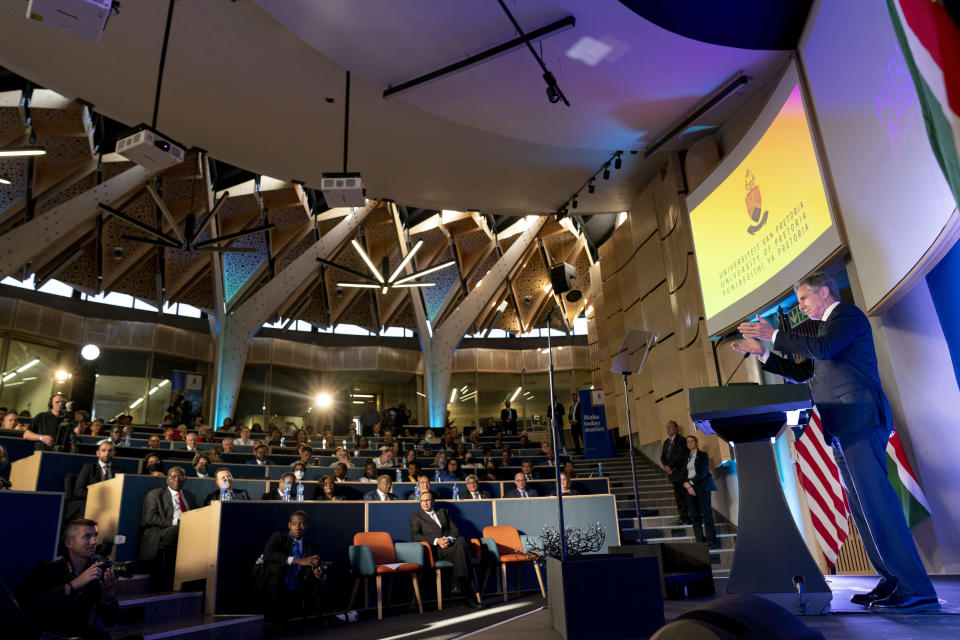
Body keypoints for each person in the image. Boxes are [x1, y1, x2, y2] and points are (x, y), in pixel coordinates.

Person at [734, 272, 939, 612]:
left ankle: (915, 587)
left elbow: (824, 349)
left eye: (802, 299)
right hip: (841, 426)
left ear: (825, 293)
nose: (800, 307)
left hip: (859, 419)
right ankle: (891, 581)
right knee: (863, 511)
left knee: (879, 506)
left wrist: (775, 335)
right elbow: (804, 373)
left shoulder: (846, 316)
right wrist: (763, 352)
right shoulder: (824, 331)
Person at [16, 519, 119, 639]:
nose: (94, 541)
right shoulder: (47, 570)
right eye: (87, 536)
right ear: (69, 543)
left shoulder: (95, 574)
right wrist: (74, 584)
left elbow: (110, 622)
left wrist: (107, 597)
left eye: (95, 535)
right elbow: (31, 607)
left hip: (78, 634)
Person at [261, 510, 330, 633]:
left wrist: (319, 574)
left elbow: (317, 564)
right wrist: (299, 560)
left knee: (321, 578)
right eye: (294, 524)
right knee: (276, 569)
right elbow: (268, 554)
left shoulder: (310, 545)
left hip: (299, 583)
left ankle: (320, 618)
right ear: (289, 525)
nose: (298, 527)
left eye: (301, 524)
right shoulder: (279, 538)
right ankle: (278, 623)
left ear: (307, 526)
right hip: (278, 582)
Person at [409, 491, 481, 608]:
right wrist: (437, 540)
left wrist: (448, 539)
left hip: (449, 548)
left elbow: (455, 531)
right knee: (465, 555)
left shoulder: (443, 512)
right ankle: (469, 595)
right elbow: (415, 536)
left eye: (428, 500)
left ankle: (461, 583)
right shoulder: (416, 518)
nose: (425, 503)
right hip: (435, 551)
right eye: (422, 501)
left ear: (433, 501)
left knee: (461, 540)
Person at [140, 467, 197, 590]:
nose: (177, 479)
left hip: (188, 531)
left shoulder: (190, 496)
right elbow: (149, 519)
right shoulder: (155, 495)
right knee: (179, 529)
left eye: (181, 476)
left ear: (185, 479)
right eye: (173, 476)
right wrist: (176, 522)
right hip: (161, 532)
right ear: (168, 480)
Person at [679, 435, 717, 548]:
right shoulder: (685, 458)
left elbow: (703, 472)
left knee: (707, 515)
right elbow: (682, 474)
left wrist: (691, 483)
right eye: (687, 442)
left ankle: (712, 542)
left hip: (702, 487)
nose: (689, 443)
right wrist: (688, 486)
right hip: (689, 490)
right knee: (695, 516)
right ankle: (700, 543)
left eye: (691, 441)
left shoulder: (703, 455)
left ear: (696, 443)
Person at [660, 420, 691, 526]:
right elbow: (663, 457)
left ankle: (686, 517)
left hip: (681, 473)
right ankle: (682, 517)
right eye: (667, 427)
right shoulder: (666, 442)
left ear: (677, 429)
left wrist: (671, 467)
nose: (668, 429)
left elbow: (681, 456)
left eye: (670, 427)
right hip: (673, 475)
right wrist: (666, 466)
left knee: (684, 496)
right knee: (678, 497)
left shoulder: (682, 440)